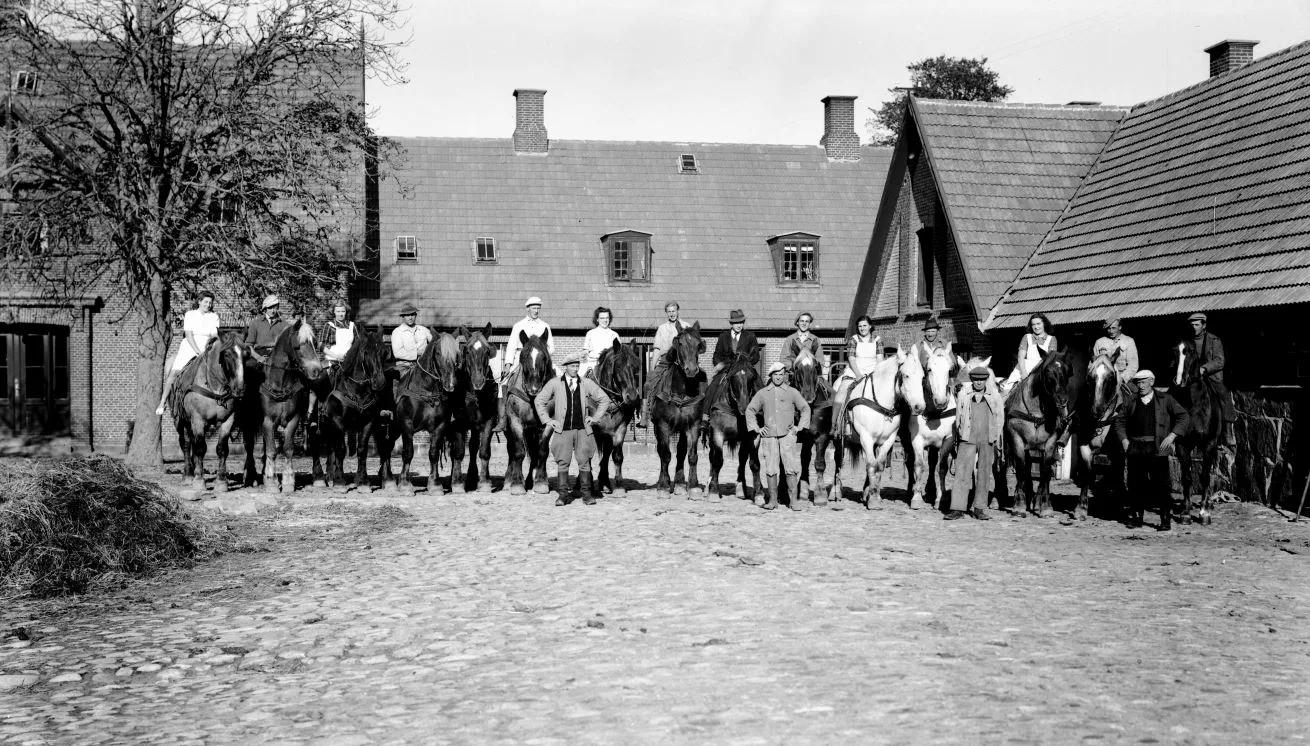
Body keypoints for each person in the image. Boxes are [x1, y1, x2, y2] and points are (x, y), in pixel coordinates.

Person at [1113, 370, 1189, 531]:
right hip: (1136, 447)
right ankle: (1136, 517)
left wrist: (1172, 436)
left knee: (1161, 484)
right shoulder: (1131, 400)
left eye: (1144, 382)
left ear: (1152, 382)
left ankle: (1165, 519)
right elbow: (1119, 421)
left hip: (1157, 447)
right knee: (1135, 483)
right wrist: (1124, 440)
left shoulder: (1165, 399)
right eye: (1138, 382)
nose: (1140, 386)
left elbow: (1183, 416)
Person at [535, 351, 612, 506]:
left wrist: (595, 418)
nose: (575, 369)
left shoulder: (586, 383)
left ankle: (587, 495)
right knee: (563, 462)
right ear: (566, 367)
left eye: (577, 366)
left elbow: (604, 399)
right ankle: (563, 495)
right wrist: (548, 420)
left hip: (583, 430)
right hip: (562, 430)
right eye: (572, 366)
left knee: (584, 462)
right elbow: (539, 400)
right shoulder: (555, 383)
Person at [746, 362, 810, 511]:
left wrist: (799, 427)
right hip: (769, 436)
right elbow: (750, 410)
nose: (779, 377)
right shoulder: (763, 393)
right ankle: (772, 500)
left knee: (790, 467)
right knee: (770, 468)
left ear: (785, 376)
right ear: (771, 376)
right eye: (775, 375)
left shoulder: (792, 392)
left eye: (781, 374)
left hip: (787, 436)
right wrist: (756, 428)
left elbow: (805, 408)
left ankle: (793, 501)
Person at [948, 366, 1003, 521]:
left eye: (982, 379)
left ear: (986, 380)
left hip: (987, 437)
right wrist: (960, 435)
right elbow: (958, 415)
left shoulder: (994, 395)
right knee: (962, 472)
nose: (979, 382)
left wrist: (996, 436)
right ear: (971, 380)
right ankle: (957, 508)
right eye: (976, 379)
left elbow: (1000, 417)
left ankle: (979, 508)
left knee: (984, 473)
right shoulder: (964, 394)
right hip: (968, 436)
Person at [156, 290, 221, 415]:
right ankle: (162, 402)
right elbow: (189, 335)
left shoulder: (214, 317)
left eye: (210, 303)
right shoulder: (190, 314)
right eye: (206, 302)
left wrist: (210, 349)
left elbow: (214, 336)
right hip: (190, 346)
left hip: (207, 346)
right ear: (199, 302)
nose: (208, 305)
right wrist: (197, 351)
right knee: (174, 373)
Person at [1185, 312, 1237, 447]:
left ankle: (1227, 430)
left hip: (1212, 377)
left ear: (1204, 325)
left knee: (1224, 397)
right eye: (1192, 325)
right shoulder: (1187, 342)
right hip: (1193, 378)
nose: (1194, 328)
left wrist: (1205, 368)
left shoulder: (1214, 340)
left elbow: (1220, 361)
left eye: (1197, 325)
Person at [307, 300, 357, 428]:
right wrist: (336, 356)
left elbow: (358, 345)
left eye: (343, 311)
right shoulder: (328, 325)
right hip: (331, 361)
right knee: (317, 383)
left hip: (349, 363)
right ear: (334, 312)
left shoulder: (352, 326)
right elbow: (321, 345)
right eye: (338, 311)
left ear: (346, 312)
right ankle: (312, 414)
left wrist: (349, 356)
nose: (341, 314)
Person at [831, 315, 881, 436]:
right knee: (842, 390)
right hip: (855, 371)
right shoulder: (854, 339)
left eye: (865, 325)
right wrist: (858, 374)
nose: (862, 328)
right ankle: (835, 424)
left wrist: (876, 373)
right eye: (860, 326)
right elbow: (851, 359)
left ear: (870, 326)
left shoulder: (877, 340)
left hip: (872, 371)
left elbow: (880, 359)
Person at [705, 309, 759, 418]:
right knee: (712, 386)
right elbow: (716, 355)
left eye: (741, 322)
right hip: (727, 370)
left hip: (745, 369)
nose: (739, 325)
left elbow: (756, 355)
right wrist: (720, 364)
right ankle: (705, 415)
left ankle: (764, 417)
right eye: (736, 323)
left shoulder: (750, 336)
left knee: (760, 386)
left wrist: (746, 363)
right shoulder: (723, 337)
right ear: (731, 323)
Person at [643, 301, 686, 426]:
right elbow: (657, 349)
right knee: (649, 383)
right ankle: (646, 414)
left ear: (678, 311)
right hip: (666, 361)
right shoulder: (662, 328)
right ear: (666, 313)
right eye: (669, 312)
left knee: (700, 380)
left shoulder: (686, 326)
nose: (672, 314)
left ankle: (701, 415)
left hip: (683, 362)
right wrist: (652, 369)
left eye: (674, 311)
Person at [1001, 313, 1058, 395]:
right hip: (1024, 367)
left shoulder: (1052, 339)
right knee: (1007, 389)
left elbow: (1050, 358)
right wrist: (1024, 373)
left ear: (1044, 324)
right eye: (1033, 324)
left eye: (1038, 324)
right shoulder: (1027, 337)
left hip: (1042, 369)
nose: (1036, 327)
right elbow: (1021, 357)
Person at [1093, 317, 1139, 388]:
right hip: (1102, 381)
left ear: (1120, 327)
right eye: (1108, 328)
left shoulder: (1128, 341)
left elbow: (1133, 365)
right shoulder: (1099, 342)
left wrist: (1122, 378)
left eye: (1113, 328)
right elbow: (1092, 364)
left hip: (1122, 379)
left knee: (1133, 395)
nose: (1111, 331)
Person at [244, 294, 289, 366]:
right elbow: (249, 345)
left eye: (275, 308)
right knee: (248, 367)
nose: (273, 311)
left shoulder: (284, 324)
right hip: (259, 355)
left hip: (278, 356)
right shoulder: (255, 323)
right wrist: (258, 357)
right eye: (270, 308)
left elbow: (288, 346)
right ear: (265, 309)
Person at [390, 303, 432, 375]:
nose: (410, 318)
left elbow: (435, 343)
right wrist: (417, 354)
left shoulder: (423, 330)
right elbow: (397, 353)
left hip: (425, 364)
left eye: (412, 315)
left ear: (415, 315)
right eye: (407, 315)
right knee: (404, 384)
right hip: (405, 366)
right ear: (403, 317)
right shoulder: (397, 332)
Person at [580, 306, 620, 378]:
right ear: (597, 319)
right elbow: (585, 351)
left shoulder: (614, 335)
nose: (605, 320)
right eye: (602, 318)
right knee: (579, 377)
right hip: (592, 364)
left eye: (607, 318)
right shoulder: (590, 333)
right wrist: (584, 355)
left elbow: (619, 353)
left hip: (609, 365)